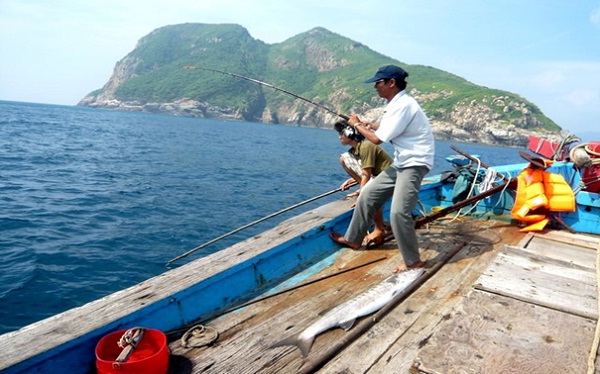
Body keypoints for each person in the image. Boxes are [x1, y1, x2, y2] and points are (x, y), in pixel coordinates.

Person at [329, 65, 435, 273]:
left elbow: (377, 140)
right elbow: (386, 130)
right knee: (367, 193)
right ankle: (353, 239)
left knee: (398, 213)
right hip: (402, 162)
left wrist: (357, 126)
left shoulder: (404, 105)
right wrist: (367, 124)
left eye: (378, 82)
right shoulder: (396, 104)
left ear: (391, 83)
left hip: (415, 163)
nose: (375, 87)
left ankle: (413, 261)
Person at [334, 120, 393, 247]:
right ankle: (363, 191)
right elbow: (364, 171)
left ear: (350, 134)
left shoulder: (366, 146)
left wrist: (362, 195)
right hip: (378, 177)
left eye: (341, 134)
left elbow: (366, 173)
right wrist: (352, 180)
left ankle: (373, 231)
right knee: (343, 158)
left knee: (370, 198)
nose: (339, 137)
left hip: (388, 178)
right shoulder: (354, 151)